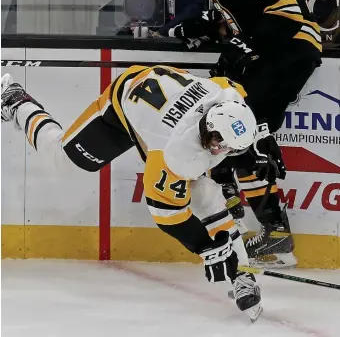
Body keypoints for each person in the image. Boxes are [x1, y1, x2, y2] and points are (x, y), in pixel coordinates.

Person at [2, 64, 289, 321]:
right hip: (124, 104)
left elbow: (236, 95)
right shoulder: (174, 151)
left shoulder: (226, 98)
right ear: (208, 125)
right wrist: (207, 249)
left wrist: (261, 139)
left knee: (204, 193)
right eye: (216, 142)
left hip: (166, 103)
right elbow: (169, 215)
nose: (218, 151)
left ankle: (242, 275)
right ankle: (16, 100)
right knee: (62, 160)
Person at [168, 0, 323, 268]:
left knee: (238, 128)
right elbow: (242, 20)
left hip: (290, 47)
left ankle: (269, 232)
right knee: (227, 129)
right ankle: (247, 220)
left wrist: (244, 45)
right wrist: (202, 28)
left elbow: (282, 16)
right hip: (273, 52)